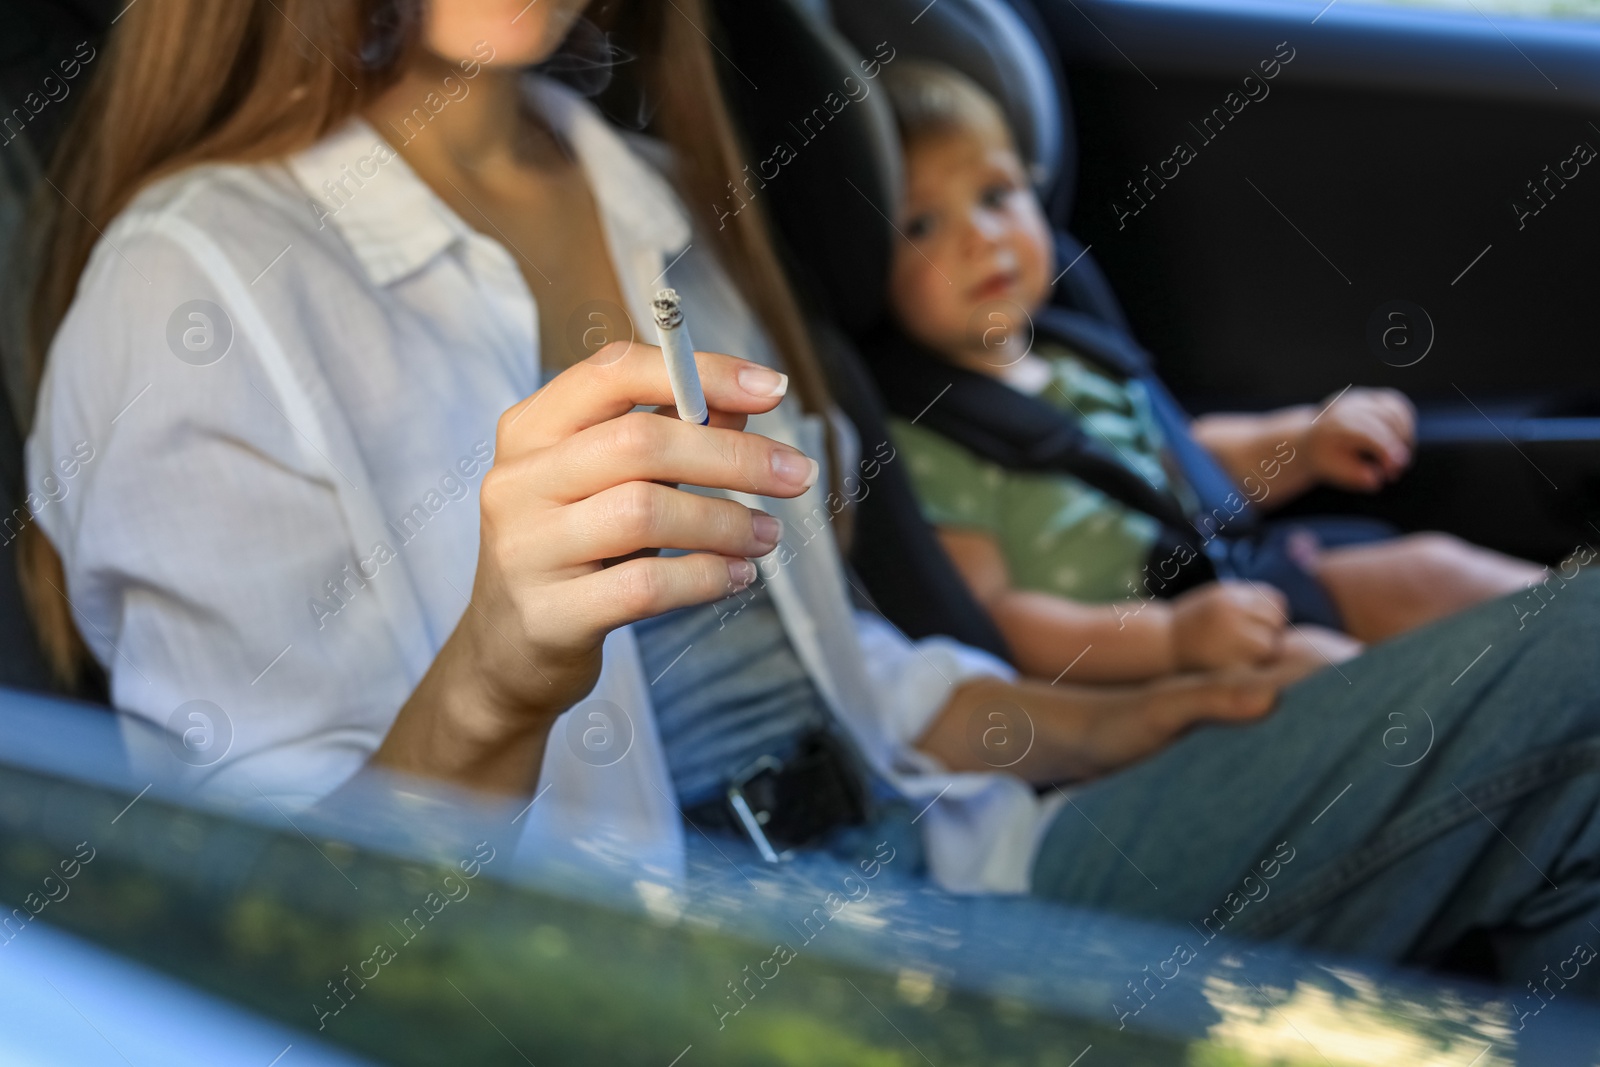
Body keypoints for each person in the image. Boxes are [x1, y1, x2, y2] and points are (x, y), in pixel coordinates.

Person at [16, 0, 1600, 999]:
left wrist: (1098, 716)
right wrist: (497, 676)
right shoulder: (193, 290)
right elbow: (284, 958)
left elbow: (840, 673)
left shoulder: (631, 176)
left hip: (955, 870)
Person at [871, 61, 1545, 683]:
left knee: (1429, 570)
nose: (981, 235)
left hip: (1232, 586)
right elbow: (998, 620)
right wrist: (1170, 639)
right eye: (923, 224)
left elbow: (1186, 466)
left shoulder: (1075, 352)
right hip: (1145, 668)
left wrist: (1306, 443)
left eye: (995, 194)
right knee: (1328, 669)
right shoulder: (929, 436)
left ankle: (1574, 633)